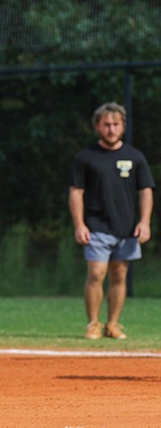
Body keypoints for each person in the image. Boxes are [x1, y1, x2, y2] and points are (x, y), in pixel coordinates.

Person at [68, 102, 155, 340]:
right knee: (97, 273)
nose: (111, 129)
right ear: (97, 126)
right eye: (106, 124)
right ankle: (93, 323)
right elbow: (76, 191)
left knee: (119, 275)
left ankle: (113, 324)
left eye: (116, 124)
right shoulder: (86, 157)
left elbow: (146, 190)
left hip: (126, 228)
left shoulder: (135, 157)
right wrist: (79, 224)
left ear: (123, 127)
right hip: (96, 225)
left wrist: (145, 222)